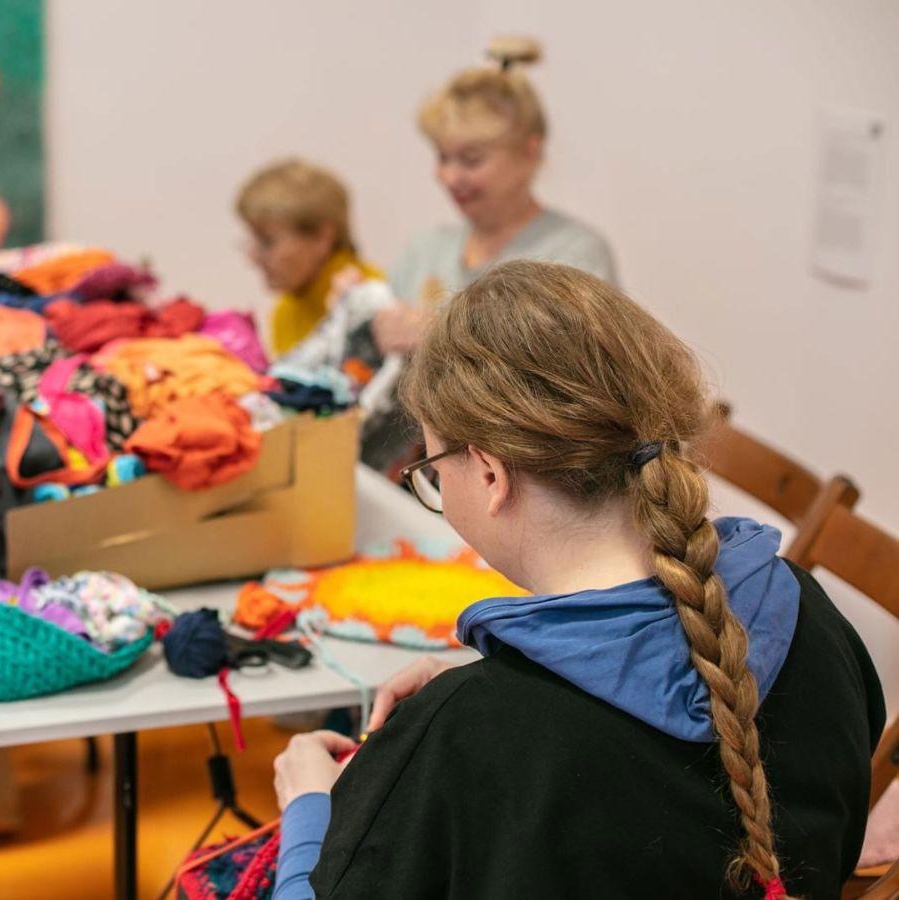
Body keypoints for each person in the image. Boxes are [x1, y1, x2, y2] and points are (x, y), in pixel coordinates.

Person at [271, 261, 883, 899]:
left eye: (430, 469)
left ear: (488, 472)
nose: (436, 487)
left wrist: (309, 809)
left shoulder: (466, 739)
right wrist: (503, 684)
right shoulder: (808, 613)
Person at [364, 38, 618, 473]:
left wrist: (444, 336)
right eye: (443, 157)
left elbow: (581, 392)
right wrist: (373, 321)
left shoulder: (574, 257)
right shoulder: (426, 248)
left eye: (471, 159)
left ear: (529, 152)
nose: (450, 176)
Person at [236, 158, 384, 357]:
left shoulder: (370, 298)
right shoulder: (284, 313)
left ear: (322, 236)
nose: (252, 258)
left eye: (267, 242)